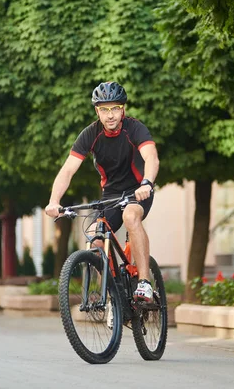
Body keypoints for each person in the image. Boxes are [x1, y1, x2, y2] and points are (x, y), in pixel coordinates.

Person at [44, 81, 160, 302]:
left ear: (123, 109)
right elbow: (68, 170)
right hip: (111, 195)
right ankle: (110, 294)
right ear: (97, 111)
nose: (110, 115)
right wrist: (54, 200)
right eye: (105, 109)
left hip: (138, 190)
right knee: (96, 238)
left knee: (130, 216)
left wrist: (147, 183)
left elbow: (151, 157)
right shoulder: (90, 134)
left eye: (115, 108)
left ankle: (144, 282)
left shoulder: (135, 128)